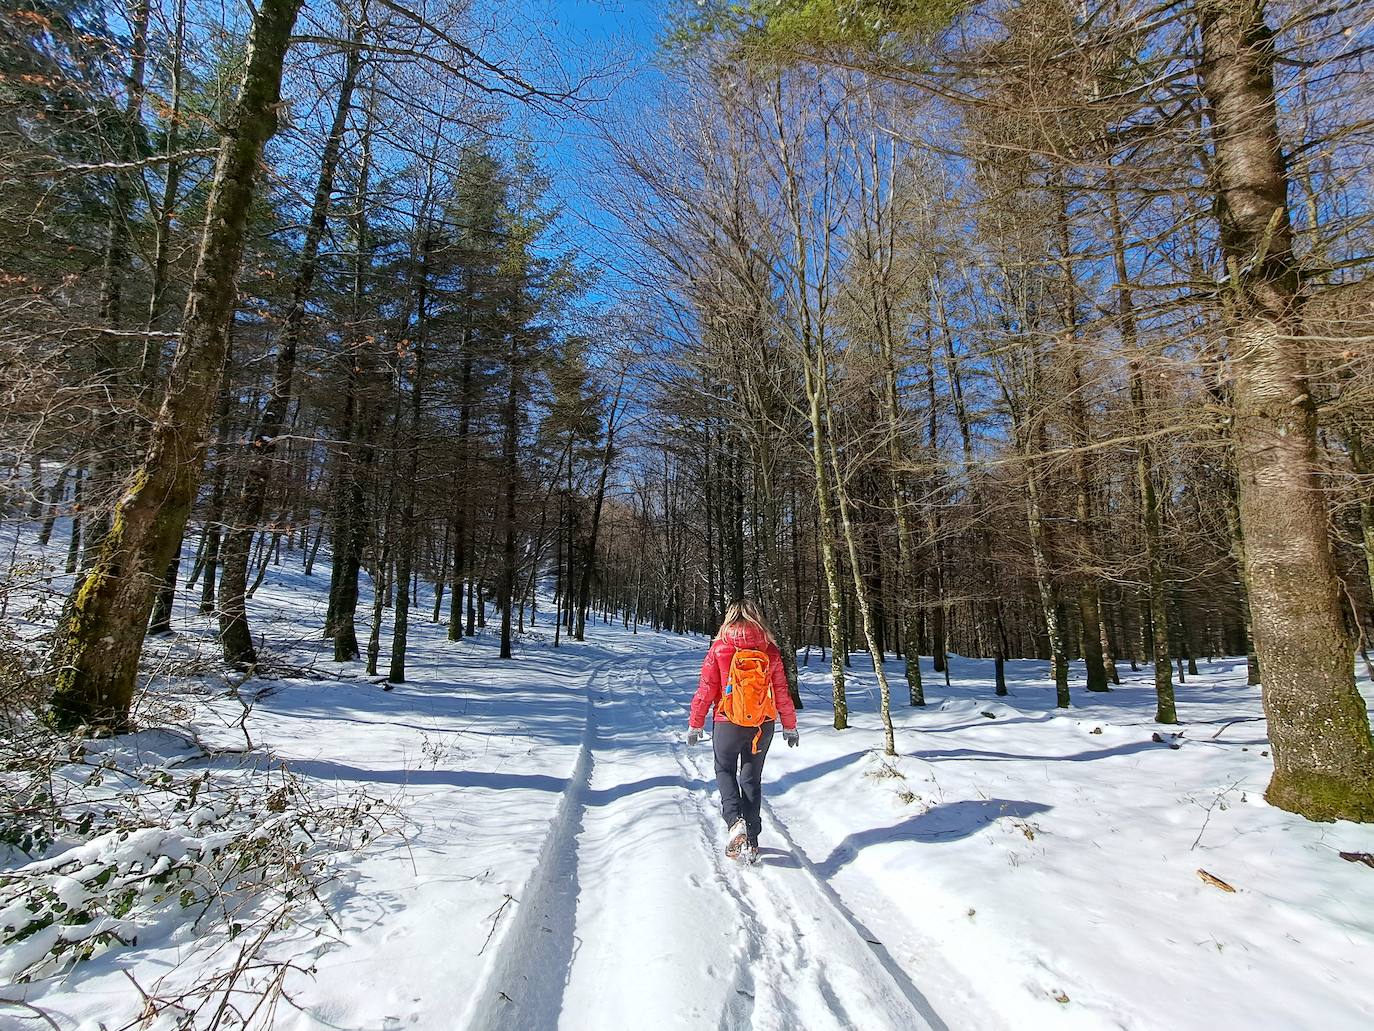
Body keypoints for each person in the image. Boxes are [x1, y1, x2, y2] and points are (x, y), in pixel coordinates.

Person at [686, 599, 798, 863]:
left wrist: (696, 722)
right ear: (758, 617)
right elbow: (781, 690)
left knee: (724, 770)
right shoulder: (769, 649)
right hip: (762, 723)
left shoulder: (720, 648)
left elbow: (706, 688)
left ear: (729, 617)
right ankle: (752, 841)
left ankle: (735, 822)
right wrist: (790, 725)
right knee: (751, 779)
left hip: (727, 721)